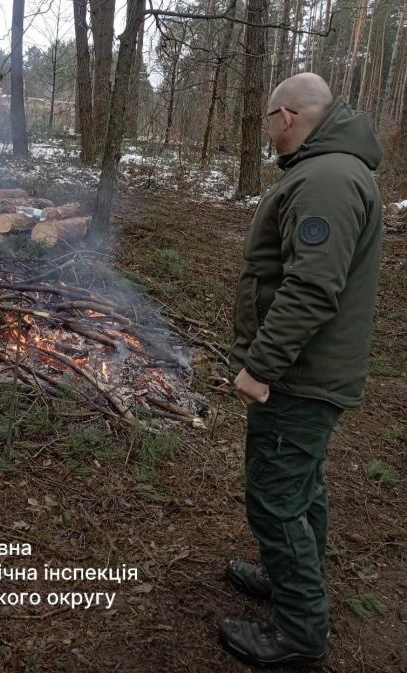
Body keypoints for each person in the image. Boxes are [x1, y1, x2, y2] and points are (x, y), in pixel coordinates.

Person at [220, 72, 383, 667]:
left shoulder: (328, 180)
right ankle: (288, 578)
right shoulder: (329, 171)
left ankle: (298, 634)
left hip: (301, 373)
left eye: (267, 120)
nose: (266, 131)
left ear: (286, 116)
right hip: (308, 369)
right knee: (300, 483)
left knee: (275, 497)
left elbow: (312, 288)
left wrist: (260, 366)